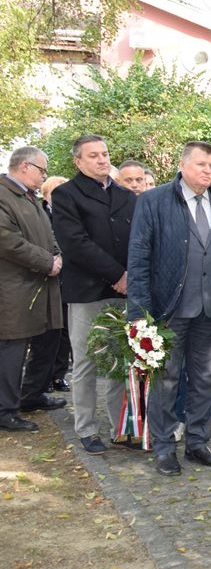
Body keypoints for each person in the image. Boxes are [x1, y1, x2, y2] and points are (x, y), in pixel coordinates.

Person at [127, 141, 211, 477]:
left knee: (205, 380)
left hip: (210, 312)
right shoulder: (154, 201)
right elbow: (138, 258)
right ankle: (164, 447)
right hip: (168, 311)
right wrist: (140, 313)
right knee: (166, 381)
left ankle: (197, 442)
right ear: (182, 164)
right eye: (201, 164)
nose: (208, 170)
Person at [50, 136, 137, 453]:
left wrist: (130, 276)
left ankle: (120, 427)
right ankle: (86, 428)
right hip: (88, 292)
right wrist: (117, 275)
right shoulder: (66, 195)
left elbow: (137, 239)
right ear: (78, 161)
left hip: (125, 292)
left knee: (119, 361)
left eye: (105, 153)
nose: (102, 160)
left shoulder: (126, 195)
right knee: (86, 362)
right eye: (93, 155)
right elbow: (75, 243)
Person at [0, 147, 63, 432]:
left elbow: (49, 234)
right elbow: (8, 242)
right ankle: (5, 411)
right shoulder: (4, 196)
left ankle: (31, 395)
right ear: (25, 166)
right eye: (42, 170)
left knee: (48, 339)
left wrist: (57, 255)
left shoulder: (30, 198)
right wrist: (47, 262)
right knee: (13, 348)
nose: (43, 176)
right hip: (15, 288)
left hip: (42, 284)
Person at [38, 176, 72, 394]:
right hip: (47, 278)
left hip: (68, 279)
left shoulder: (71, 215)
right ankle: (44, 378)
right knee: (49, 331)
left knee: (65, 330)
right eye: (55, 192)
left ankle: (59, 375)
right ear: (46, 195)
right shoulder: (40, 214)